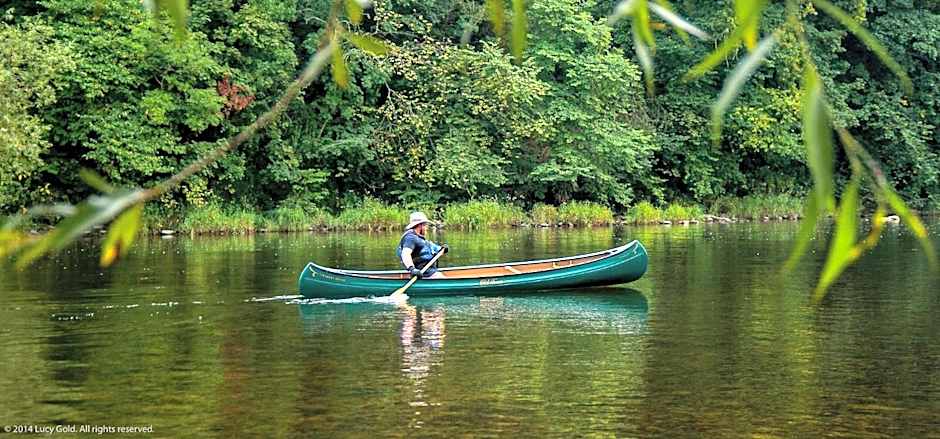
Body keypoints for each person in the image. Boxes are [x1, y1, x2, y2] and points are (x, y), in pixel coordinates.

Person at [397, 212, 448, 279]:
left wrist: (443, 249)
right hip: (424, 275)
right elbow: (405, 254)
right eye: (425, 225)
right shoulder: (410, 238)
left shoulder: (420, 238)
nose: (426, 228)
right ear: (420, 225)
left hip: (430, 272)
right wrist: (412, 269)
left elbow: (434, 249)